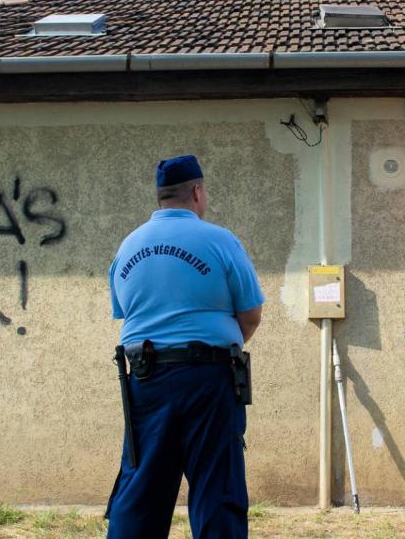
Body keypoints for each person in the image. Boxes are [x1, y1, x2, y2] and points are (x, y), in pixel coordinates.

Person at [105, 154, 264, 539]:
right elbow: (251, 313)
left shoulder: (128, 246)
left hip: (145, 378)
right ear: (197, 192)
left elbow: (125, 311)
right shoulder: (219, 240)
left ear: (161, 197)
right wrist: (215, 349)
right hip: (208, 379)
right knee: (216, 486)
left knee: (143, 486)